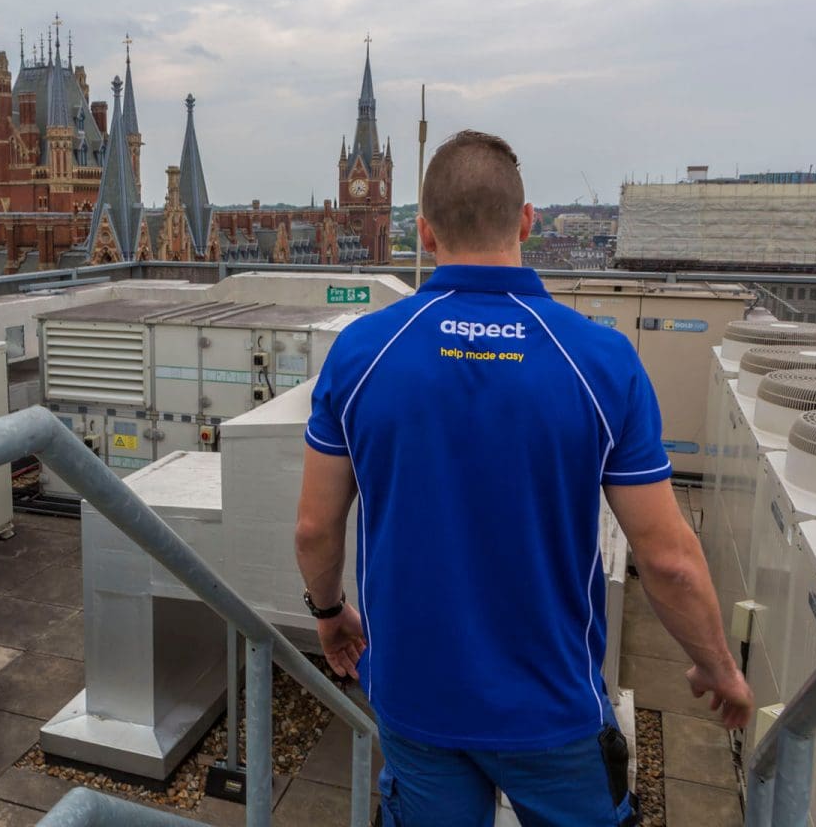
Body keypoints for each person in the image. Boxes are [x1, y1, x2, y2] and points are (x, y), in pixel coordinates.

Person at [295, 130, 752, 826]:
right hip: (553, 711)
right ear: (528, 222)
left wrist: (329, 615)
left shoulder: (362, 351)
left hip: (417, 701)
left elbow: (314, 526)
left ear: (424, 230)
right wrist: (717, 665)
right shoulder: (601, 361)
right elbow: (669, 560)